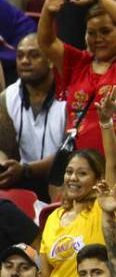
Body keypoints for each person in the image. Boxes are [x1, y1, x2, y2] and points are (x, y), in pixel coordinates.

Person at [37, 0, 116, 257]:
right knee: (90, 249)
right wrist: (48, 12)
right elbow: (46, 43)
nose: (98, 38)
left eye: (106, 31)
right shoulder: (78, 63)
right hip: (85, 179)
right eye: (92, 33)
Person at [34, 85, 116, 277]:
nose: (73, 178)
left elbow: (115, 164)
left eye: (82, 173)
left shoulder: (104, 210)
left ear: (97, 180)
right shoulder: (54, 217)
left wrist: (106, 123)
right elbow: (44, 274)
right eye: (69, 172)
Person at [0, 34, 67, 197]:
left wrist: (25, 170)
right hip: (21, 177)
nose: (24, 61)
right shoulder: (7, 98)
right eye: (20, 55)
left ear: (51, 60)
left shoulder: (71, 96)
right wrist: (4, 166)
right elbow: (2, 146)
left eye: (34, 55)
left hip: (63, 178)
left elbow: (68, 155)